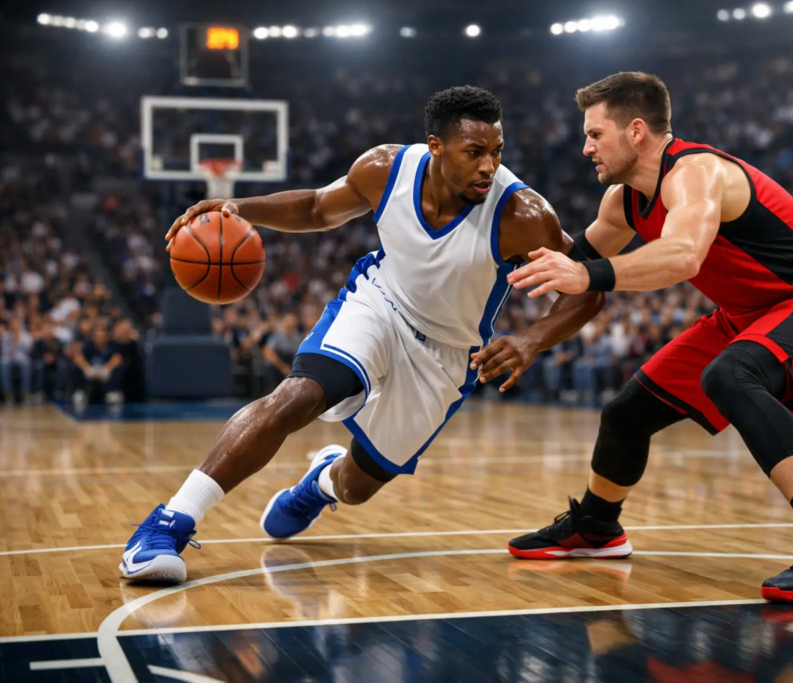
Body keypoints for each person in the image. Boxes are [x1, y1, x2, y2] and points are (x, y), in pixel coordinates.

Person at [120, 86, 604, 583]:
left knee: (357, 487)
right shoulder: (385, 169)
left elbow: (586, 290)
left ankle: (320, 484)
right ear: (435, 146)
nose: (488, 166)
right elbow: (315, 209)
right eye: (474, 152)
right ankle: (169, 523)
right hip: (379, 303)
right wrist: (240, 208)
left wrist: (531, 339)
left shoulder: (522, 216)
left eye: (497, 152)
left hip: (446, 353)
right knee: (296, 397)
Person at [506, 72, 793, 604]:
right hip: (745, 315)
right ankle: (596, 526)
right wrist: (522, 326)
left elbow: (683, 255)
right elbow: (570, 268)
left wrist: (587, 275)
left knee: (731, 375)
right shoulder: (623, 202)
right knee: (626, 413)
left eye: (595, 134)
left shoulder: (697, 172)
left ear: (636, 131)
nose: (585, 146)